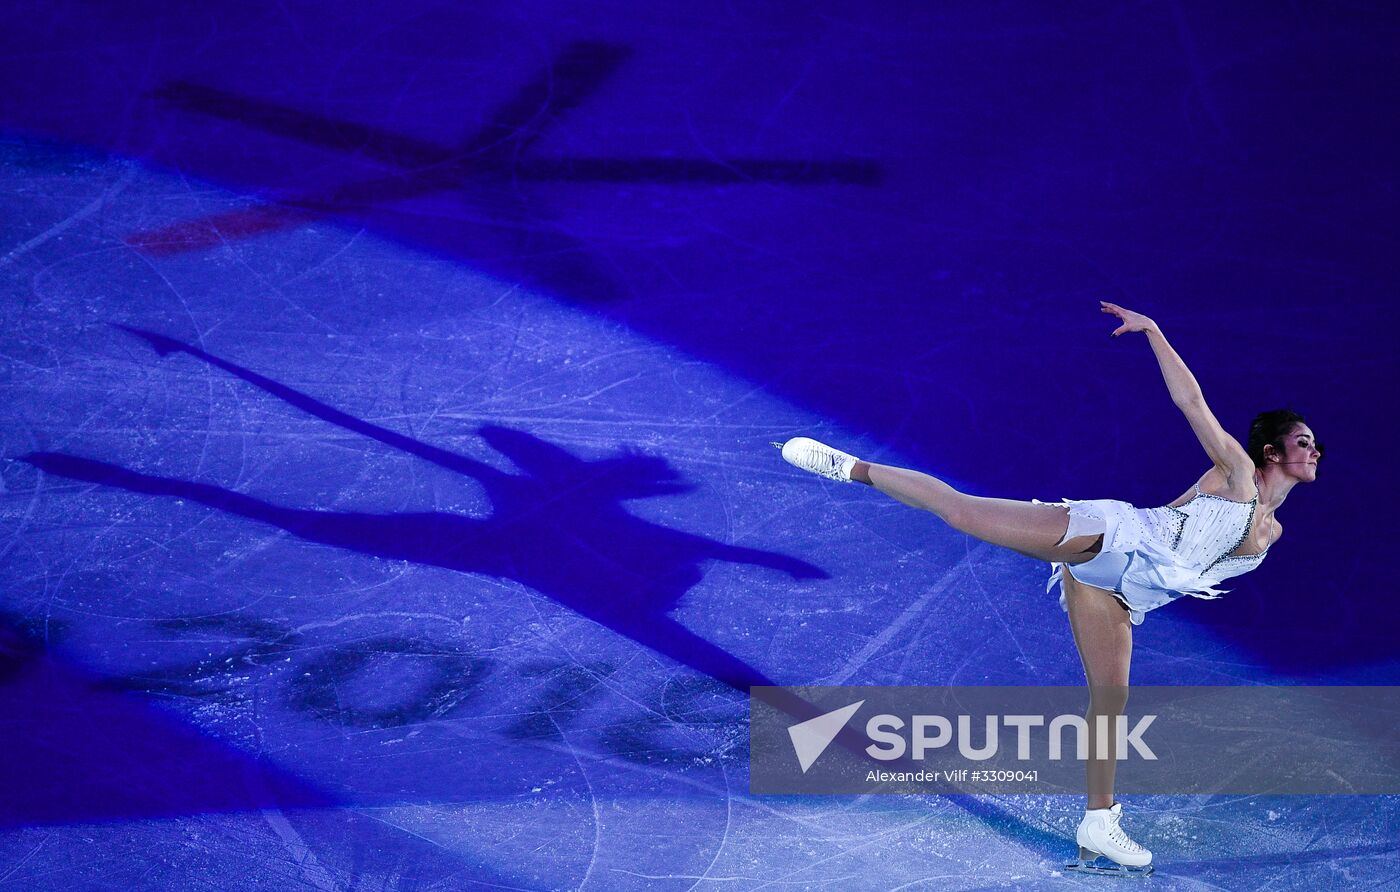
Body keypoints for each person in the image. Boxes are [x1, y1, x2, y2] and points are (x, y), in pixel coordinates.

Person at [777, 302, 1322, 877]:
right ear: (1272, 451)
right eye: (1304, 442)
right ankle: (848, 466)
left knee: (1110, 704)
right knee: (964, 514)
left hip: (1124, 593)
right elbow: (1191, 403)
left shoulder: (1274, 531)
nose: (1314, 452)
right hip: (1115, 538)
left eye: (1315, 446)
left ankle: (1099, 822)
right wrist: (1157, 333)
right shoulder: (1236, 473)